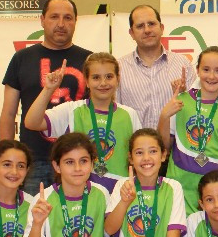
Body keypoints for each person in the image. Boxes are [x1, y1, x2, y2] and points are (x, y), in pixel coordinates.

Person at [0, 0, 91, 193]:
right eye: (54, 17)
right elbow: (8, 113)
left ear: (76, 21)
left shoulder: (89, 60)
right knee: (33, 219)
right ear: (42, 20)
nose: (61, 24)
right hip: (34, 159)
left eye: (68, 18)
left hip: (78, 160)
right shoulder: (22, 58)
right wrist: (7, 157)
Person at [157, 46, 218, 215]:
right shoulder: (180, 102)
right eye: (206, 69)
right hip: (180, 191)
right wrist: (164, 117)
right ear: (198, 70)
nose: (212, 76)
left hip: (216, 196)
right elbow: (163, 147)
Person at [24, 52, 141, 186]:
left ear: (118, 79)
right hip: (81, 192)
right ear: (86, 81)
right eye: (96, 77)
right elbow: (32, 122)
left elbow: (138, 155)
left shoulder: (129, 114)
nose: (103, 83)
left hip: (120, 192)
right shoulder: (71, 110)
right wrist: (48, 89)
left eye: (109, 77)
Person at [99, 129, 187, 237]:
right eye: (139, 153)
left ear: (163, 155)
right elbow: (108, 230)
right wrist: (124, 202)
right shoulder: (123, 185)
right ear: (131, 158)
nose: (146, 158)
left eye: (153, 151)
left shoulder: (173, 188)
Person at [116, 5, 196, 130]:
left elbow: (196, 110)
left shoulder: (183, 64)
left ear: (162, 28)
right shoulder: (119, 68)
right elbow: (115, 114)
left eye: (151, 24)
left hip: (175, 147)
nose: (147, 30)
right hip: (135, 147)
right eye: (140, 26)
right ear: (131, 33)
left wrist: (184, 94)